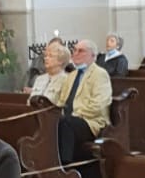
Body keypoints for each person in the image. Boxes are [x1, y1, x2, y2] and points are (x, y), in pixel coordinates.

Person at [47, 38, 112, 166]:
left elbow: (99, 105)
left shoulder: (100, 74)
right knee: (50, 122)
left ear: (92, 55)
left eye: (81, 51)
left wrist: (76, 114)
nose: (75, 53)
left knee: (66, 123)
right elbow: (62, 101)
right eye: (74, 50)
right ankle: (49, 163)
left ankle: (65, 166)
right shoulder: (71, 75)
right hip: (70, 120)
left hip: (91, 121)